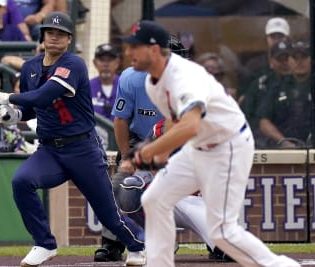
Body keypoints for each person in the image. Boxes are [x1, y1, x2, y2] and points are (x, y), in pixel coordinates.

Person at [121, 20, 301, 267]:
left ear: (154, 50)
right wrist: (156, 156)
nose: (128, 52)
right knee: (154, 198)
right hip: (200, 147)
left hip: (229, 146)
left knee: (223, 232)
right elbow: (176, 123)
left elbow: (191, 124)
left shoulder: (182, 75)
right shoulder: (153, 82)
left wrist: (147, 151)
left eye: (135, 46)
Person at [0, 11, 145, 267]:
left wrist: (10, 97)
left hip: (82, 148)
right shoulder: (30, 67)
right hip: (50, 150)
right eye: (50, 32)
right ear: (42, 36)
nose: (54, 38)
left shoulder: (73, 64)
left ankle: (138, 246)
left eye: (60, 34)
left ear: (69, 39)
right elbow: (30, 109)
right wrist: (11, 114)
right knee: (22, 181)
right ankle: (44, 243)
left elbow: (44, 96)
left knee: (108, 214)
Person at [94, 37, 232, 263]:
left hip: (194, 181)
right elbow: (122, 122)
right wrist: (131, 156)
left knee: (228, 247)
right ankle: (122, 241)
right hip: (146, 143)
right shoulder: (134, 79)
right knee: (124, 188)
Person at [257, 40, 315, 148]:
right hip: (285, 149)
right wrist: (284, 142)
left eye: (304, 57)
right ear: (289, 61)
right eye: (295, 58)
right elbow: (264, 121)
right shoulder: (278, 86)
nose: (299, 62)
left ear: (312, 60)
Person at [241, 40, 292, 148]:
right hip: (263, 142)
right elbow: (251, 116)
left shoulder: (299, 82)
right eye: (280, 59)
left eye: (287, 58)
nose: (284, 63)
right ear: (271, 61)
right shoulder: (261, 84)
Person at [239, 17, 290, 101]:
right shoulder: (253, 65)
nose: (276, 40)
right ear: (267, 38)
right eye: (273, 36)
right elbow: (243, 96)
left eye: (280, 36)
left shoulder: (294, 63)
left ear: (287, 38)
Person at [90, 43, 120, 121]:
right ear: (95, 63)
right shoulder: (87, 88)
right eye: (102, 60)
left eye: (109, 60)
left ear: (117, 63)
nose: (106, 64)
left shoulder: (127, 87)